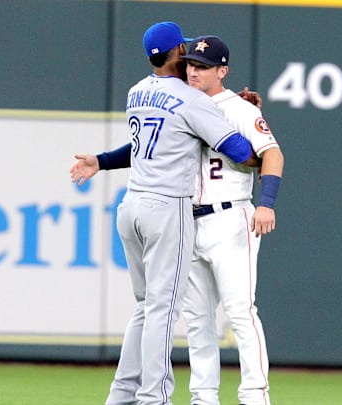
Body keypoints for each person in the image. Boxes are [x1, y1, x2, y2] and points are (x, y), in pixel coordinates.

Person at [72, 21, 258, 405]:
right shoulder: (192, 99)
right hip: (165, 208)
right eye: (184, 50)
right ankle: (153, 397)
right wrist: (260, 149)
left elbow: (156, 140)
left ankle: (121, 394)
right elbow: (238, 149)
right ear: (176, 53)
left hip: (131, 206)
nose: (190, 58)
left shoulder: (137, 90)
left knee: (145, 307)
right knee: (162, 308)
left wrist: (101, 161)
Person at [180, 35, 283, 405]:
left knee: (240, 311)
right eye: (191, 64)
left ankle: (255, 396)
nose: (194, 71)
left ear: (222, 71)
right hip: (189, 219)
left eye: (203, 66)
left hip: (230, 215)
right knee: (198, 320)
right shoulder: (180, 103)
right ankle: (203, 397)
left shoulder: (239, 108)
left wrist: (266, 204)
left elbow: (273, 154)